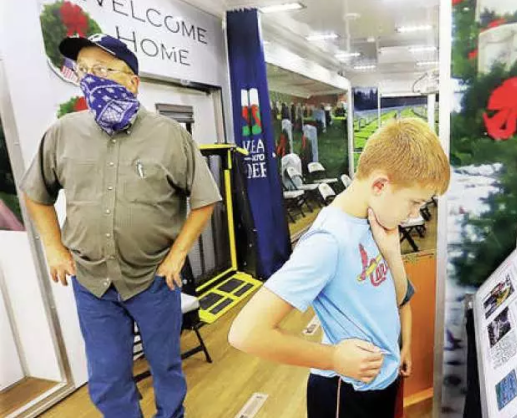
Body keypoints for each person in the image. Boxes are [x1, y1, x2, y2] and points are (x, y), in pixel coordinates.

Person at [21, 34, 221, 418]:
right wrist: (53, 247)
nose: (90, 78)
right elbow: (35, 193)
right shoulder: (63, 133)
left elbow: (204, 199)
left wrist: (177, 255)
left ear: (133, 81)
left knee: (165, 365)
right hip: (92, 281)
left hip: (154, 278)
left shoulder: (170, 136)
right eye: (83, 70)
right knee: (108, 376)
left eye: (102, 69)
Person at [229, 118, 450, 418]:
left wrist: (392, 254)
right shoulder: (328, 241)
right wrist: (333, 358)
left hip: (380, 381)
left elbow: (397, 300)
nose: (413, 214)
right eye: (413, 203)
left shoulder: (376, 223)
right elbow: (245, 332)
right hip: (345, 394)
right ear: (380, 185)